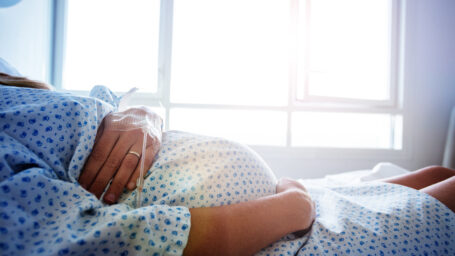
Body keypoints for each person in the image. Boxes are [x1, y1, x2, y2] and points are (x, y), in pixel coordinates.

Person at [0, 71, 454, 255]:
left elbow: (93, 110)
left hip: (286, 206)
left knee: (438, 175)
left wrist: (141, 116)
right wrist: (291, 210)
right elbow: (109, 242)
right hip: (281, 236)